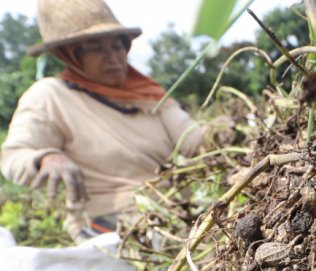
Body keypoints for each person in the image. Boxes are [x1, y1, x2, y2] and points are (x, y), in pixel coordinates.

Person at [0, 0, 228, 240]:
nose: (113, 57)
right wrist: (47, 159)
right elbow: (13, 156)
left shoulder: (147, 94)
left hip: (179, 213)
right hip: (110, 226)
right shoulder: (51, 96)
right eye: (96, 48)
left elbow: (195, 140)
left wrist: (220, 131)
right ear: (70, 55)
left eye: (117, 45)